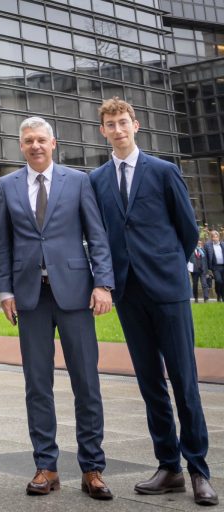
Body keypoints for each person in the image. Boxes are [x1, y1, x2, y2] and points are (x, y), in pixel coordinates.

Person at [90, 97, 217, 506]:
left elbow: (187, 229)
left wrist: (168, 265)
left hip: (167, 291)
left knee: (184, 380)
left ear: (136, 125)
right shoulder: (97, 180)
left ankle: (198, 469)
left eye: (123, 121)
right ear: (103, 131)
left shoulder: (163, 171)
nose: (118, 129)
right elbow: (100, 234)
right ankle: (169, 467)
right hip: (128, 293)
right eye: (110, 124)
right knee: (150, 383)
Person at [0, 117, 114, 500]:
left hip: (75, 294)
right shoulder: (7, 185)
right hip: (30, 297)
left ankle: (92, 468)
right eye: (28, 140)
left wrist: (102, 283)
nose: (35, 146)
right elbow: (4, 243)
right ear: (21, 146)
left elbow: (97, 235)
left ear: (53, 143)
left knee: (86, 382)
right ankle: (46, 466)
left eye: (41, 140)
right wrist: (4, 291)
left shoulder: (78, 181)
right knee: (37, 384)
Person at [205, 231, 224, 302]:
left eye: (216, 237)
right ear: (212, 238)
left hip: (223, 266)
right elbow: (206, 258)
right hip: (215, 267)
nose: (215, 238)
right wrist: (207, 269)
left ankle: (222, 296)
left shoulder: (222, 244)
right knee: (219, 281)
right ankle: (219, 294)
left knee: (222, 282)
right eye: (213, 237)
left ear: (219, 237)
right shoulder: (208, 245)